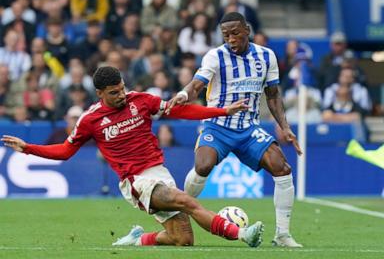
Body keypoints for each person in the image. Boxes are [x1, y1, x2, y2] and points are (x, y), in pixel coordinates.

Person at [1, 66, 264, 248]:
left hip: (159, 172)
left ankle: (138, 239)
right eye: (113, 93)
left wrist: (221, 111)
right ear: (100, 94)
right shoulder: (90, 120)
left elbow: (180, 111)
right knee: (186, 200)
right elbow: (65, 151)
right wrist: (28, 148)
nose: (121, 95)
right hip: (136, 182)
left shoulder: (142, 100)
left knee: (182, 240)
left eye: (122, 89)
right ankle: (242, 234)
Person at [168, 12, 303, 248]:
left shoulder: (266, 56)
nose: (230, 39)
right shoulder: (215, 56)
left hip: (249, 128)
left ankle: (282, 234)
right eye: (225, 35)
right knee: (203, 165)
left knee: (282, 168)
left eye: (235, 33)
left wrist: (285, 127)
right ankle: (181, 211)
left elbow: (272, 95)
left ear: (247, 31)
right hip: (218, 125)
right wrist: (182, 94)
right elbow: (197, 84)